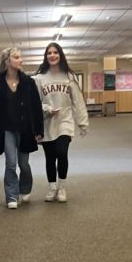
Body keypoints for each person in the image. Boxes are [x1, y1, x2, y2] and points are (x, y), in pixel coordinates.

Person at [0, 48, 44, 209]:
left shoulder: (29, 83)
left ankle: (25, 188)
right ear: (7, 61)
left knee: (23, 164)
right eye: (17, 57)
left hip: (25, 130)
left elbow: (36, 107)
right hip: (6, 130)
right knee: (10, 162)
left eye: (20, 57)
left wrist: (38, 130)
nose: (21, 60)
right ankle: (11, 195)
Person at [33, 42, 88, 203]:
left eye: (55, 52)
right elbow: (35, 102)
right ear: (46, 56)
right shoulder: (39, 79)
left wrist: (82, 122)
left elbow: (78, 101)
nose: (52, 55)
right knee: (50, 158)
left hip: (65, 121)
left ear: (60, 55)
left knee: (62, 153)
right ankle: (52, 188)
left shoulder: (69, 77)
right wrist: (46, 108)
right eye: (49, 53)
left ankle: (62, 187)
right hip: (47, 122)